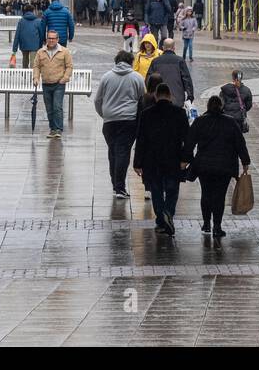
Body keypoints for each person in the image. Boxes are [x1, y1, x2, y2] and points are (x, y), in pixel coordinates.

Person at [184, 95, 251, 247]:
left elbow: (189, 142)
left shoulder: (200, 121)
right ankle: (217, 226)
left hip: (204, 166)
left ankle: (206, 223)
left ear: (208, 106)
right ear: (221, 106)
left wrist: (185, 159)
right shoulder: (230, 122)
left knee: (206, 193)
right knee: (219, 196)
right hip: (224, 166)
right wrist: (245, 161)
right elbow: (240, 143)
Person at [134, 83, 189, 235]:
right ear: (170, 96)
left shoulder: (147, 114)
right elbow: (187, 138)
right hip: (173, 158)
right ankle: (168, 213)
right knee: (172, 189)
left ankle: (161, 220)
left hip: (152, 159)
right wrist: (186, 159)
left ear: (156, 96)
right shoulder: (179, 113)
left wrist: (137, 163)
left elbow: (141, 139)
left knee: (156, 190)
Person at [93, 49, 146, 198]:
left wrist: (104, 114)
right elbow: (142, 98)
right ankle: (120, 187)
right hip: (129, 120)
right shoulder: (137, 77)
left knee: (113, 151)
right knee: (123, 151)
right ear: (131, 62)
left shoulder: (106, 77)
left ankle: (115, 184)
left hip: (110, 121)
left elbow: (98, 100)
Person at [32, 28, 73, 139]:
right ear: (47, 39)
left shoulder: (64, 51)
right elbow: (36, 66)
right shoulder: (41, 52)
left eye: (53, 38)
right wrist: (36, 78)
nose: (51, 40)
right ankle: (52, 129)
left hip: (59, 83)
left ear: (57, 39)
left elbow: (69, 66)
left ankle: (58, 129)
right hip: (46, 83)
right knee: (49, 108)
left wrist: (65, 78)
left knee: (57, 106)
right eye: (49, 38)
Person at [150, 38, 194, 107]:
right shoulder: (180, 61)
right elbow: (187, 79)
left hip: (159, 98)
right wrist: (190, 96)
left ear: (163, 48)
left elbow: (149, 79)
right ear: (174, 48)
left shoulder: (155, 61)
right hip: (177, 99)